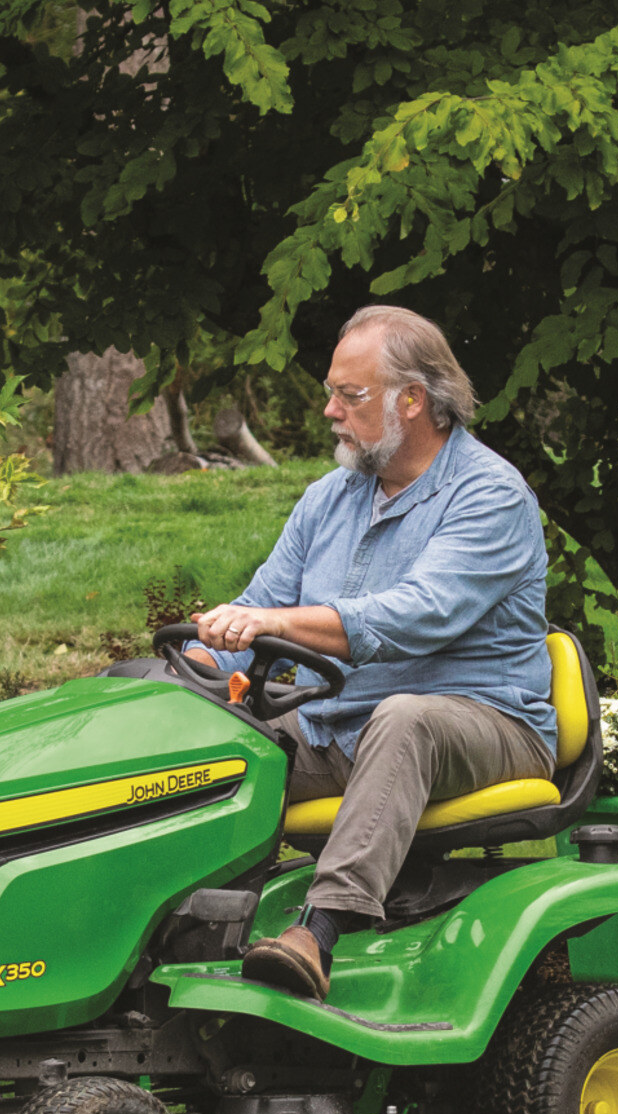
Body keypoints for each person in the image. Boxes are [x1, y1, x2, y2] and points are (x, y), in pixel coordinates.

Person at [189, 305, 556, 1000]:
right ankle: (169, 930)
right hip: (339, 723)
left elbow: (415, 618)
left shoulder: (491, 495)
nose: (329, 410)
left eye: (349, 396)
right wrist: (194, 671)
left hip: (487, 720)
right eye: (332, 391)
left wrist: (273, 621)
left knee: (403, 717)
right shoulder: (329, 499)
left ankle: (316, 934)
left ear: (412, 401)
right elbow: (257, 614)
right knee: (203, 747)